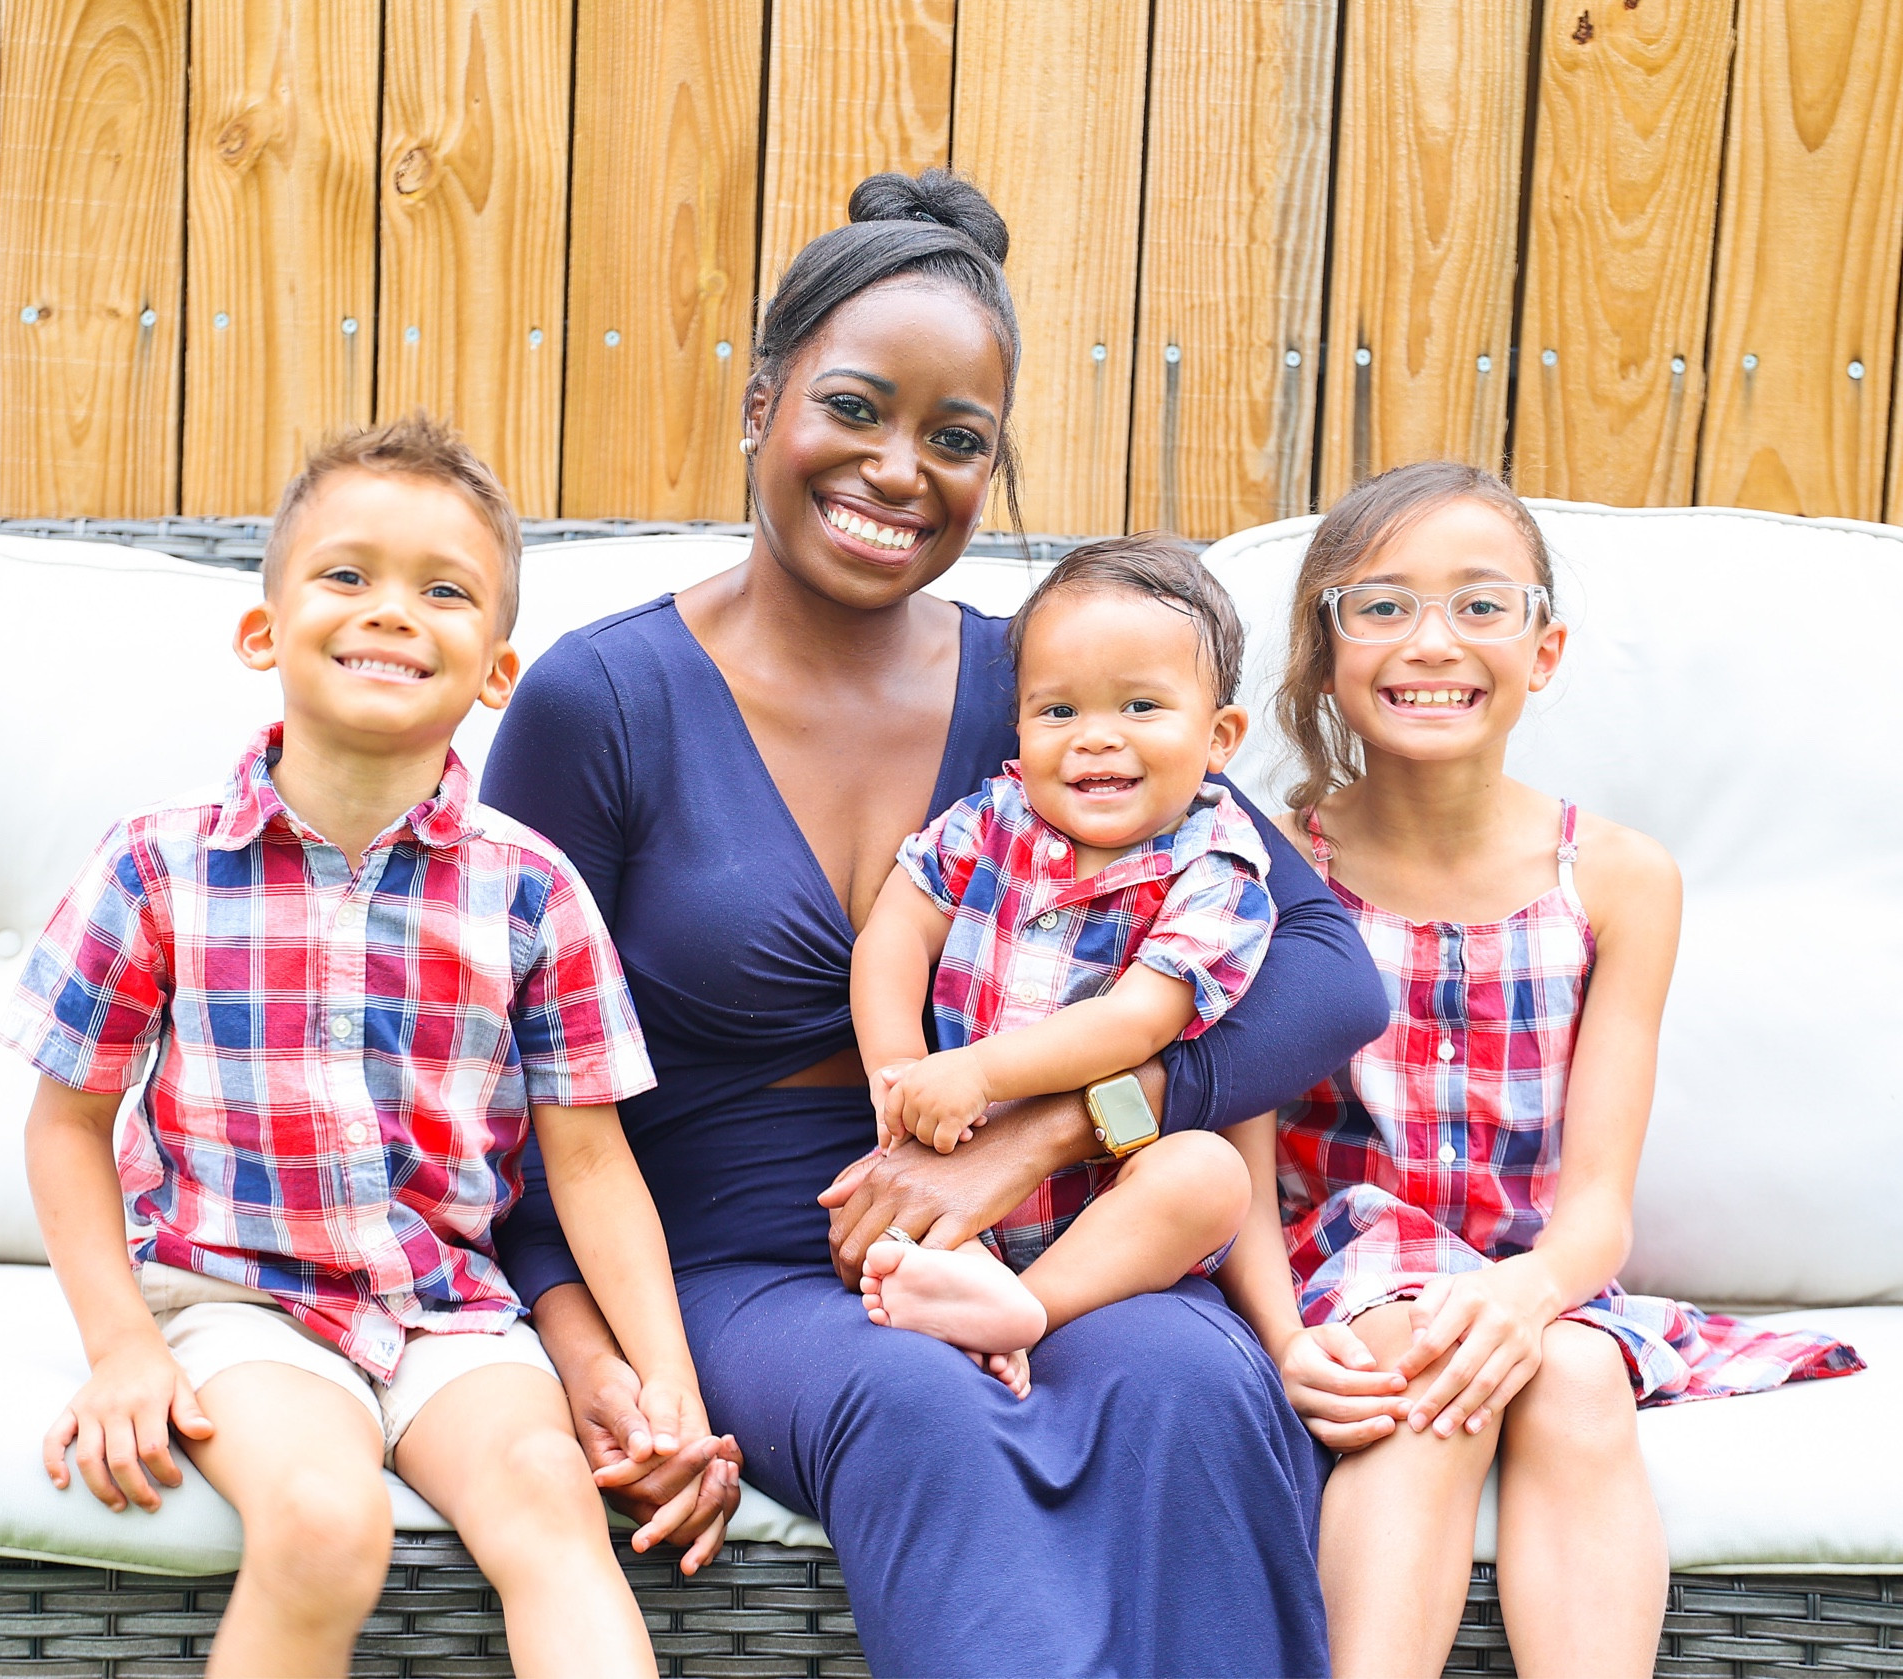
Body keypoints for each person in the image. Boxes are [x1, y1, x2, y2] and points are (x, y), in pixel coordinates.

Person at [481, 169, 1390, 1678]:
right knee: (918, 1404)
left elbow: (1324, 969)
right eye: (856, 408)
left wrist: (1062, 1126)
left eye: (957, 440)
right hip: (735, 1261)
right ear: (763, 404)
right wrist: (591, 1354)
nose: (902, 469)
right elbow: (502, 1093)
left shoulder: (1044, 697)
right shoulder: (603, 701)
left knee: (1183, 1377)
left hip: (1034, 1218)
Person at [1, 416, 726, 1679]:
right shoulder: (159, 863)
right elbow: (66, 1126)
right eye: (348, 575)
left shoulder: (530, 890)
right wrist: (121, 1345)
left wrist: (668, 1381)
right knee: (326, 1519)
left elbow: (594, 1164)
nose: (394, 611)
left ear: (494, 669)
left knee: (552, 1501)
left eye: (443, 590)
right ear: (263, 631)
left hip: (447, 1307)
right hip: (238, 1298)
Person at [1217, 460, 1864, 1679]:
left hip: (1537, 1276)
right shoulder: (1262, 867)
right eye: (1380, 604)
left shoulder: (1617, 879)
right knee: (1425, 1360)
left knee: (1569, 1374)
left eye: (1479, 604)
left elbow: (1593, 1210)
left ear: (1544, 649)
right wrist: (1280, 1335)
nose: (1431, 641)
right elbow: (1238, 1161)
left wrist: (1525, 1297)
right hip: (1343, 1265)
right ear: (1327, 644)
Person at [849, 537, 1270, 1393]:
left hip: (1113, 1190)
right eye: (1059, 712)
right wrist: (898, 1072)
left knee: (1208, 1175)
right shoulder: (993, 818)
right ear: (1020, 727)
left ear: (1219, 735)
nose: (1096, 740)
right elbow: (894, 932)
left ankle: (1027, 1307)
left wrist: (974, 1069)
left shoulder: (1218, 866)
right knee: (864, 1207)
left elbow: (1138, 1021)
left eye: (1142, 706)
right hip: (950, 1154)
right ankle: (959, 1286)